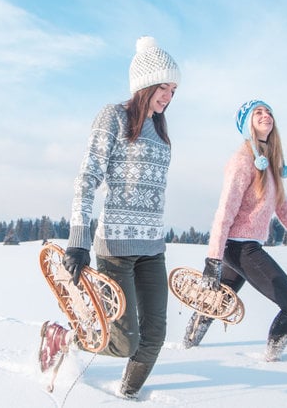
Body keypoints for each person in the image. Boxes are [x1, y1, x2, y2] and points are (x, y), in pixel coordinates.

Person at [39, 36, 181, 398]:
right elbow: (86, 180)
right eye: (163, 86)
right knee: (122, 342)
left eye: (173, 89)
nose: (168, 95)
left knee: (154, 336)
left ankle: (127, 396)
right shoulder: (113, 117)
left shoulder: (162, 132)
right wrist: (78, 241)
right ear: (143, 85)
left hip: (153, 249)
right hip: (115, 248)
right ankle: (63, 337)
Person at [182, 99, 287, 362]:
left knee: (212, 304)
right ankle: (272, 360)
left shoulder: (270, 164)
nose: (266, 115)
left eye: (268, 112)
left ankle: (186, 347)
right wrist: (213, 258)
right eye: (258, 112)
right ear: (247, 124)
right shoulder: (243, 161)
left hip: (243, 247)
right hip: (239, 247)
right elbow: (225, 211)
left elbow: (286, 212)